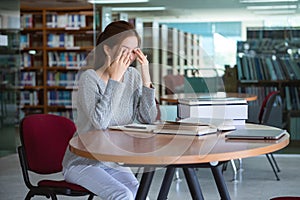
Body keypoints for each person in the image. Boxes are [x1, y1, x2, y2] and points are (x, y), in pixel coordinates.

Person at [62, 21, 157, 200]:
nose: (131, 56)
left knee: (140, 195)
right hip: (83, 163)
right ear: (107, 49)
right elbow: (100, 123)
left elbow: (148, 118)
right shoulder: (89, 79)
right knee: (122, 195)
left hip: (112, 161)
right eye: (125, 49)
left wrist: (146, 77)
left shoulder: (133, 76)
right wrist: (115, 79)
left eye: (135, 50)